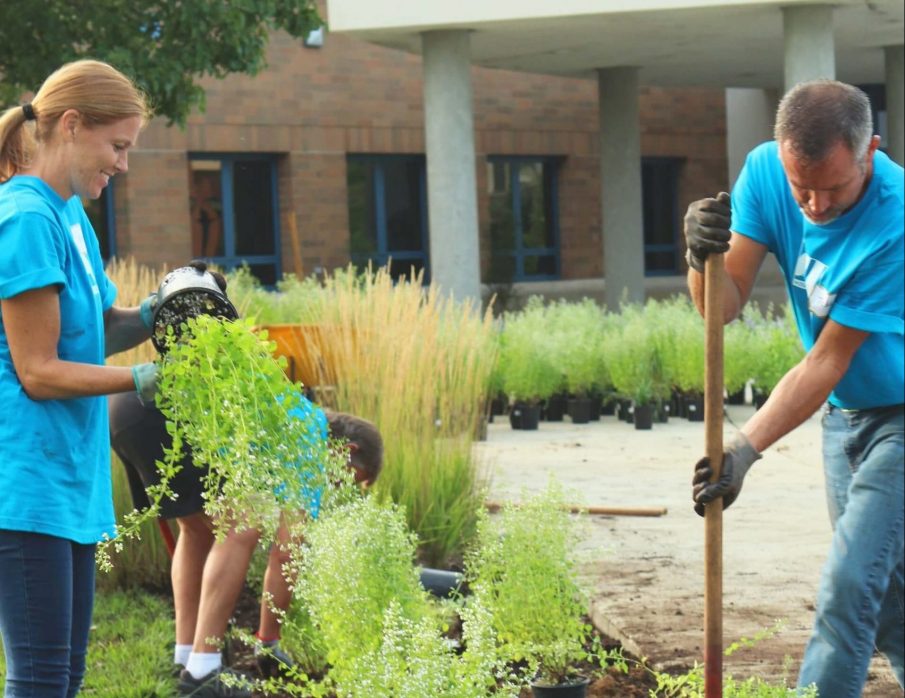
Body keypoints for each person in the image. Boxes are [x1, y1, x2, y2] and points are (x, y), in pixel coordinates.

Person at [684, 79, 903, 697]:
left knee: (850, 585)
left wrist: (746, 448)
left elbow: (827, 360)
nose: (812, 204)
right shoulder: (764, 173)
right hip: (845, 418)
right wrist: (700, 255)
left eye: (832, 187)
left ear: (870, 152)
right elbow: (719, 310)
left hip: (900, 417)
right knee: (885, 603)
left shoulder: (899, 220)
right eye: (800, 184)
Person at [0, 59, 163, 697]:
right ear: (70, 125)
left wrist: (160, 312)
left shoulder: (70, 215)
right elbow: (39, 371)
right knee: (39, 681)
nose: (122, 164)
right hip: (27, 482)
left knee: (63, 678)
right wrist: (144, 381)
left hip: (70, 478)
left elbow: (95, 329)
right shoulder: (25, 220)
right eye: (116, 146)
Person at [109, 388, 383, 698]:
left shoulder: (292, 412)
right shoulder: (309, 436)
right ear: (346, 450)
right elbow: (287, 553)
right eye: (347, 477)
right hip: (164, 414)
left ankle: (187, 658)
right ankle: (203, 672)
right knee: (245, 523)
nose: (336, 485)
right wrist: (268, 641)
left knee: (197, 530)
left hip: (129, 406)